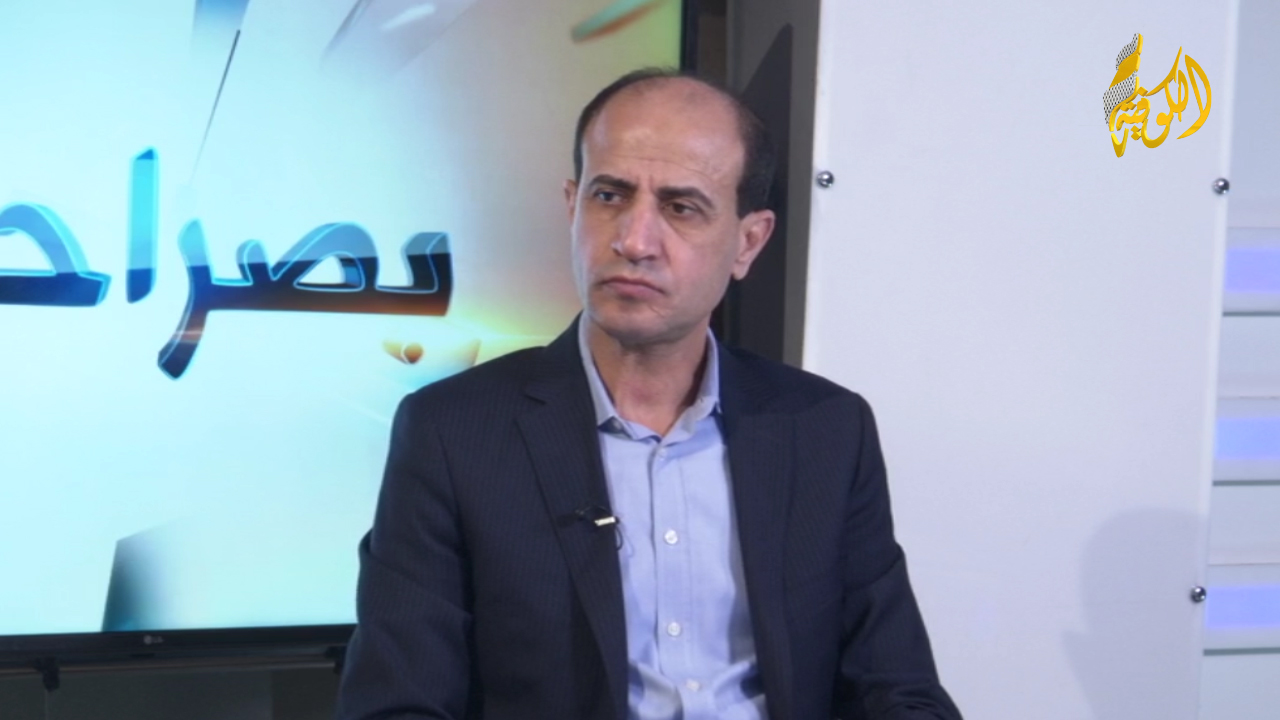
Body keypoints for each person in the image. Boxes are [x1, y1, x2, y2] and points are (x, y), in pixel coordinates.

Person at [336, 69, 962, 720]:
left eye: (681, 207)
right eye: (609, 196)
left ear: (748, 242)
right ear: (572, 207)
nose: (633, 241)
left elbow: (899, 690)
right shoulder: (453, 431)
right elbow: (396, 704)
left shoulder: (826, 429)